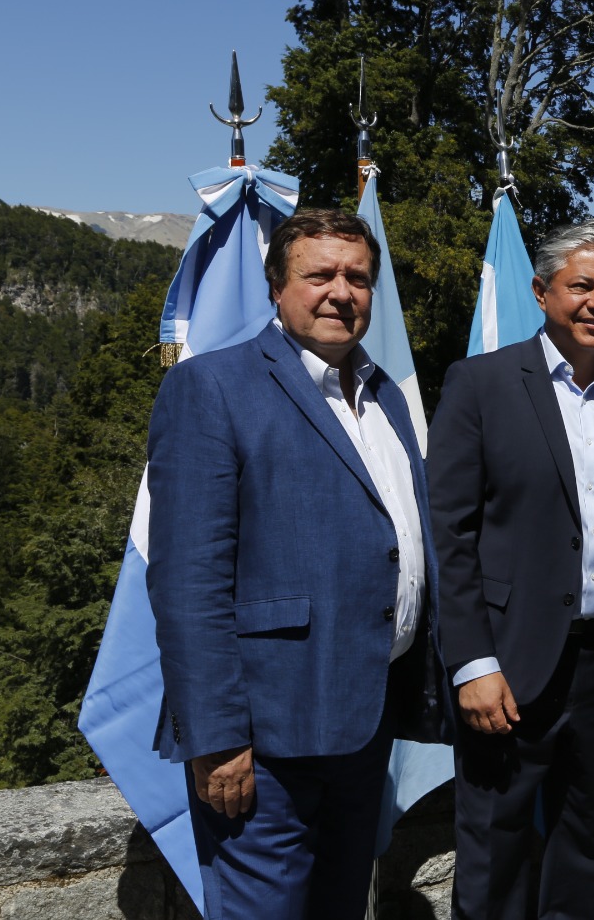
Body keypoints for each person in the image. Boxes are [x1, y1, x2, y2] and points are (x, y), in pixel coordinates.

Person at [146, 208, 448, 919]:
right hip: (266, 737)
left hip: (364, 721)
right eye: (320, 275)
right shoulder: (213, 388)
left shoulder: (387, 400)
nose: (341, 291)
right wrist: (217, 738)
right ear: (278, 289)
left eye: (358, 277)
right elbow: (189, 582)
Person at [427, 218, 594, 920]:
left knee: (587, 838)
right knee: (494, 842)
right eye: (582, 286)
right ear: (543, 293)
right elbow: (450, 534)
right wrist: (472, 661)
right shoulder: (480, 384)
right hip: (508, 663)